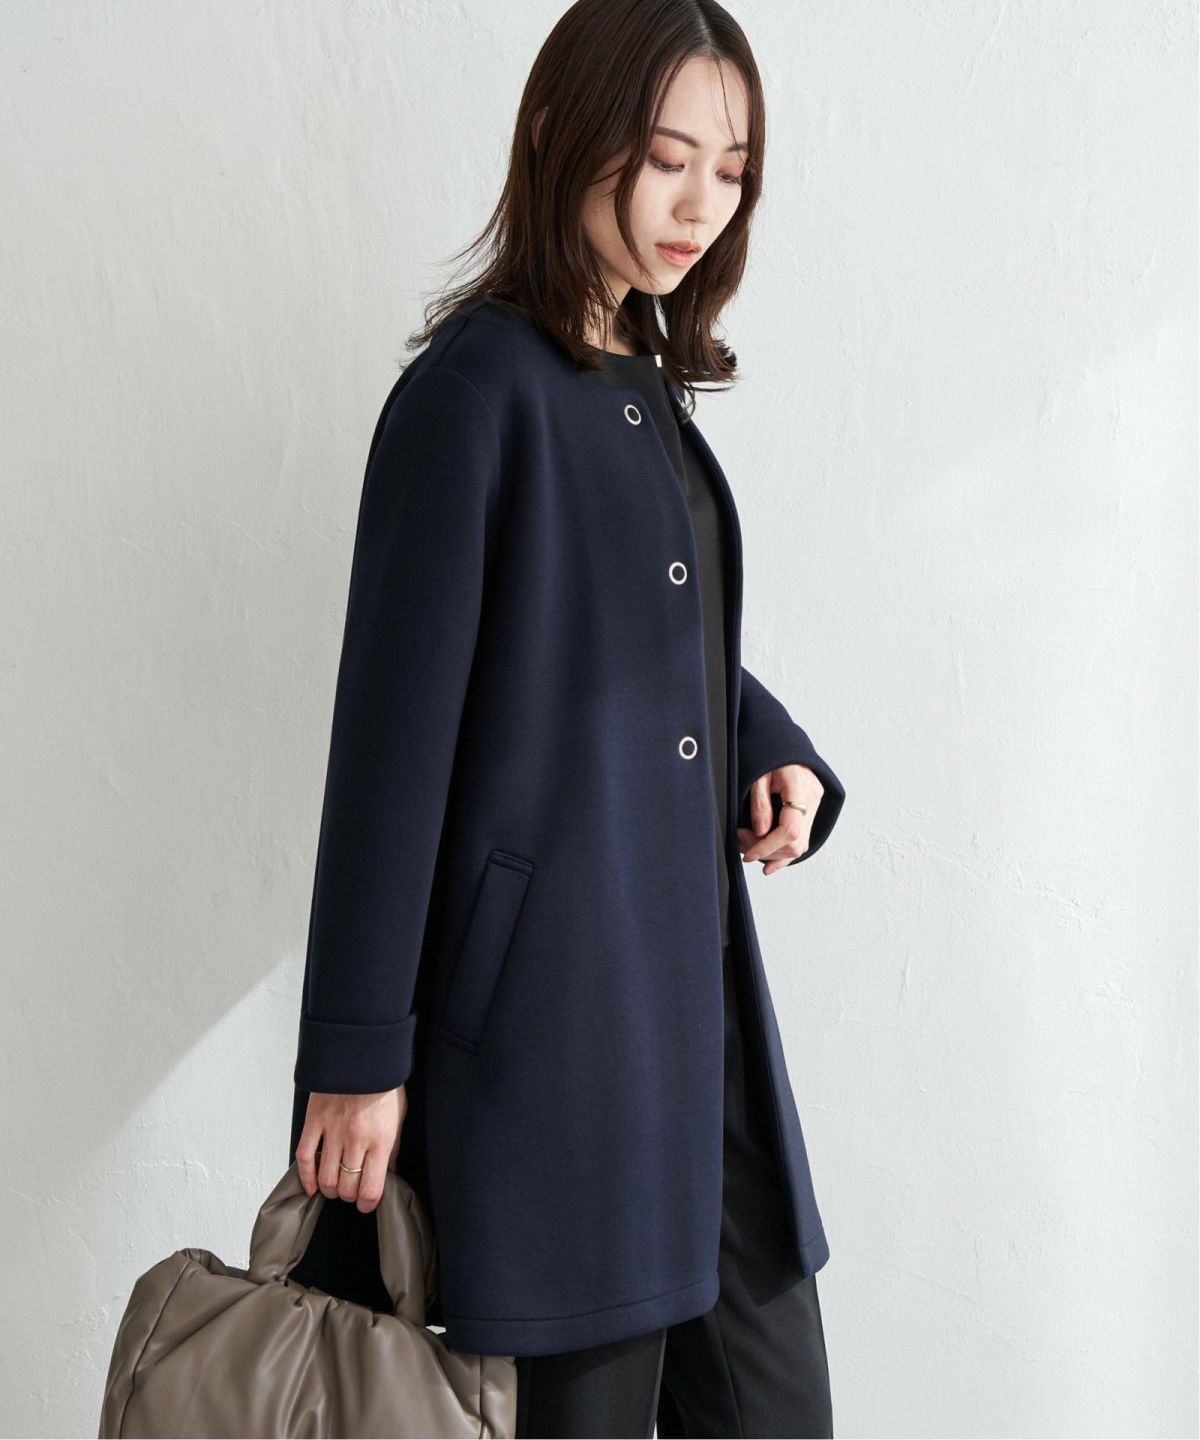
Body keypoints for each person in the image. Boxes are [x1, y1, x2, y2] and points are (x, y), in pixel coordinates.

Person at [287, 1, 847, 1434]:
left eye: (730, 171)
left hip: (697, 1032)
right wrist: (356, 1053)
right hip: (554, 1052)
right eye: (665, 158)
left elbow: (633, 637)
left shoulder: (641, 387)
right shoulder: (474, 396)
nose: (700, 206)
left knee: (779, 1408)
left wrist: (767, 744)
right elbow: (389, 743)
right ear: (558, 132)